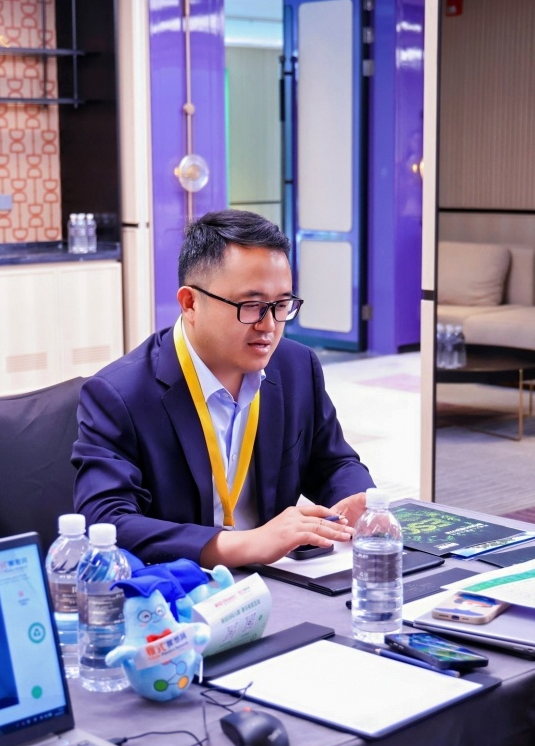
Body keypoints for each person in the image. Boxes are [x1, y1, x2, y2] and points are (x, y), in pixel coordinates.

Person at [72, 209, 374, 567]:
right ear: (190, 303)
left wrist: (358, 500)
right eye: (251, 306)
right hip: (181, 586)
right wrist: (244, 545)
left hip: (278, 580)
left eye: (281, 305)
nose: (269, 325)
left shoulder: (296, 367)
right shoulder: (119, 395)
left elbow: (334, 462)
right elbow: (107, 521)